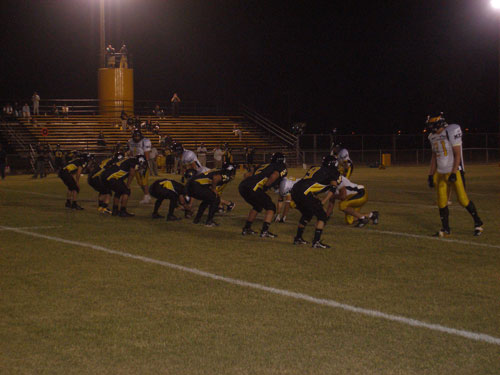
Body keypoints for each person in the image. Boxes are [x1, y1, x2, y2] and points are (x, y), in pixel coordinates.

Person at [426, 113, 483, 237]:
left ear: (438, 124)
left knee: (462, 200)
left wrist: (453, 172)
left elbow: (458, 154)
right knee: (441, 202)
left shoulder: (450, 131)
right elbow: (434, 157)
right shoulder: (432, 137)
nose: (431, 127)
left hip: (453, 171)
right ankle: (446, 229)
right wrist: (431, 174)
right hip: (441, 173)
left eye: (432, 125)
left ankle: (478, 222)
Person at [291, 155, 341, 248]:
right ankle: (316, 242)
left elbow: (311, 182)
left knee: (307, 214)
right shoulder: (333, 172)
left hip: (295, 190)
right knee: (322, 216)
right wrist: (324, 200)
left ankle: (298, 238)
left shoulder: (315, 168)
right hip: (305, 192)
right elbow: (333, 187)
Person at [239, 152, 287, 237]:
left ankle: (247, 228)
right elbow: (274, 175)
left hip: (243, 186)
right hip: (254, 188)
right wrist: (266, 186)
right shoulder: (281, 167)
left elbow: (247, 175)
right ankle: (265, 231)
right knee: (271, 207)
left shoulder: (264, 165)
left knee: (257, 206)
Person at [186, 162, 236, 226]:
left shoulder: (217, 170)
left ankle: (197, 219)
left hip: (191, 186)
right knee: (216, 199)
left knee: (207, 200)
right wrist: (214, 189)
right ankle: (209, 221)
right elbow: (216, 178)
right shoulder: (225, 175)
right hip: (196, 186)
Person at [127, 129, 152, 204]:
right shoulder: (130, 141)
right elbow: (131, 152)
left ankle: (146, 195)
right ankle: (147, 195)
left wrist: (146, 163)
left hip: (142, 162)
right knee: (139, 182)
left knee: (144, 181)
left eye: (138, 136)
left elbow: (146, 153)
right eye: (135, 136)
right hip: (135, 161)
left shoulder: (145, 141)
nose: (137, 138)